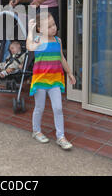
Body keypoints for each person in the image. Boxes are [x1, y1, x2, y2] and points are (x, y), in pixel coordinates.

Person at [26, 12, 76, 150]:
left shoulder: (58, 41)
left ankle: (61, 136)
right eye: (49, 27)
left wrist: (70, 73)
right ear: (40, 29)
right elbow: (29, 47)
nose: (53, 28)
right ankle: (36, 131)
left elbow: (62, 58)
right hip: (40, 80)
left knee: (58, 108)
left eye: (53, 24)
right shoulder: (38, 39)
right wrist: (30, 31)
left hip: (55, 80)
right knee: (39, 107)